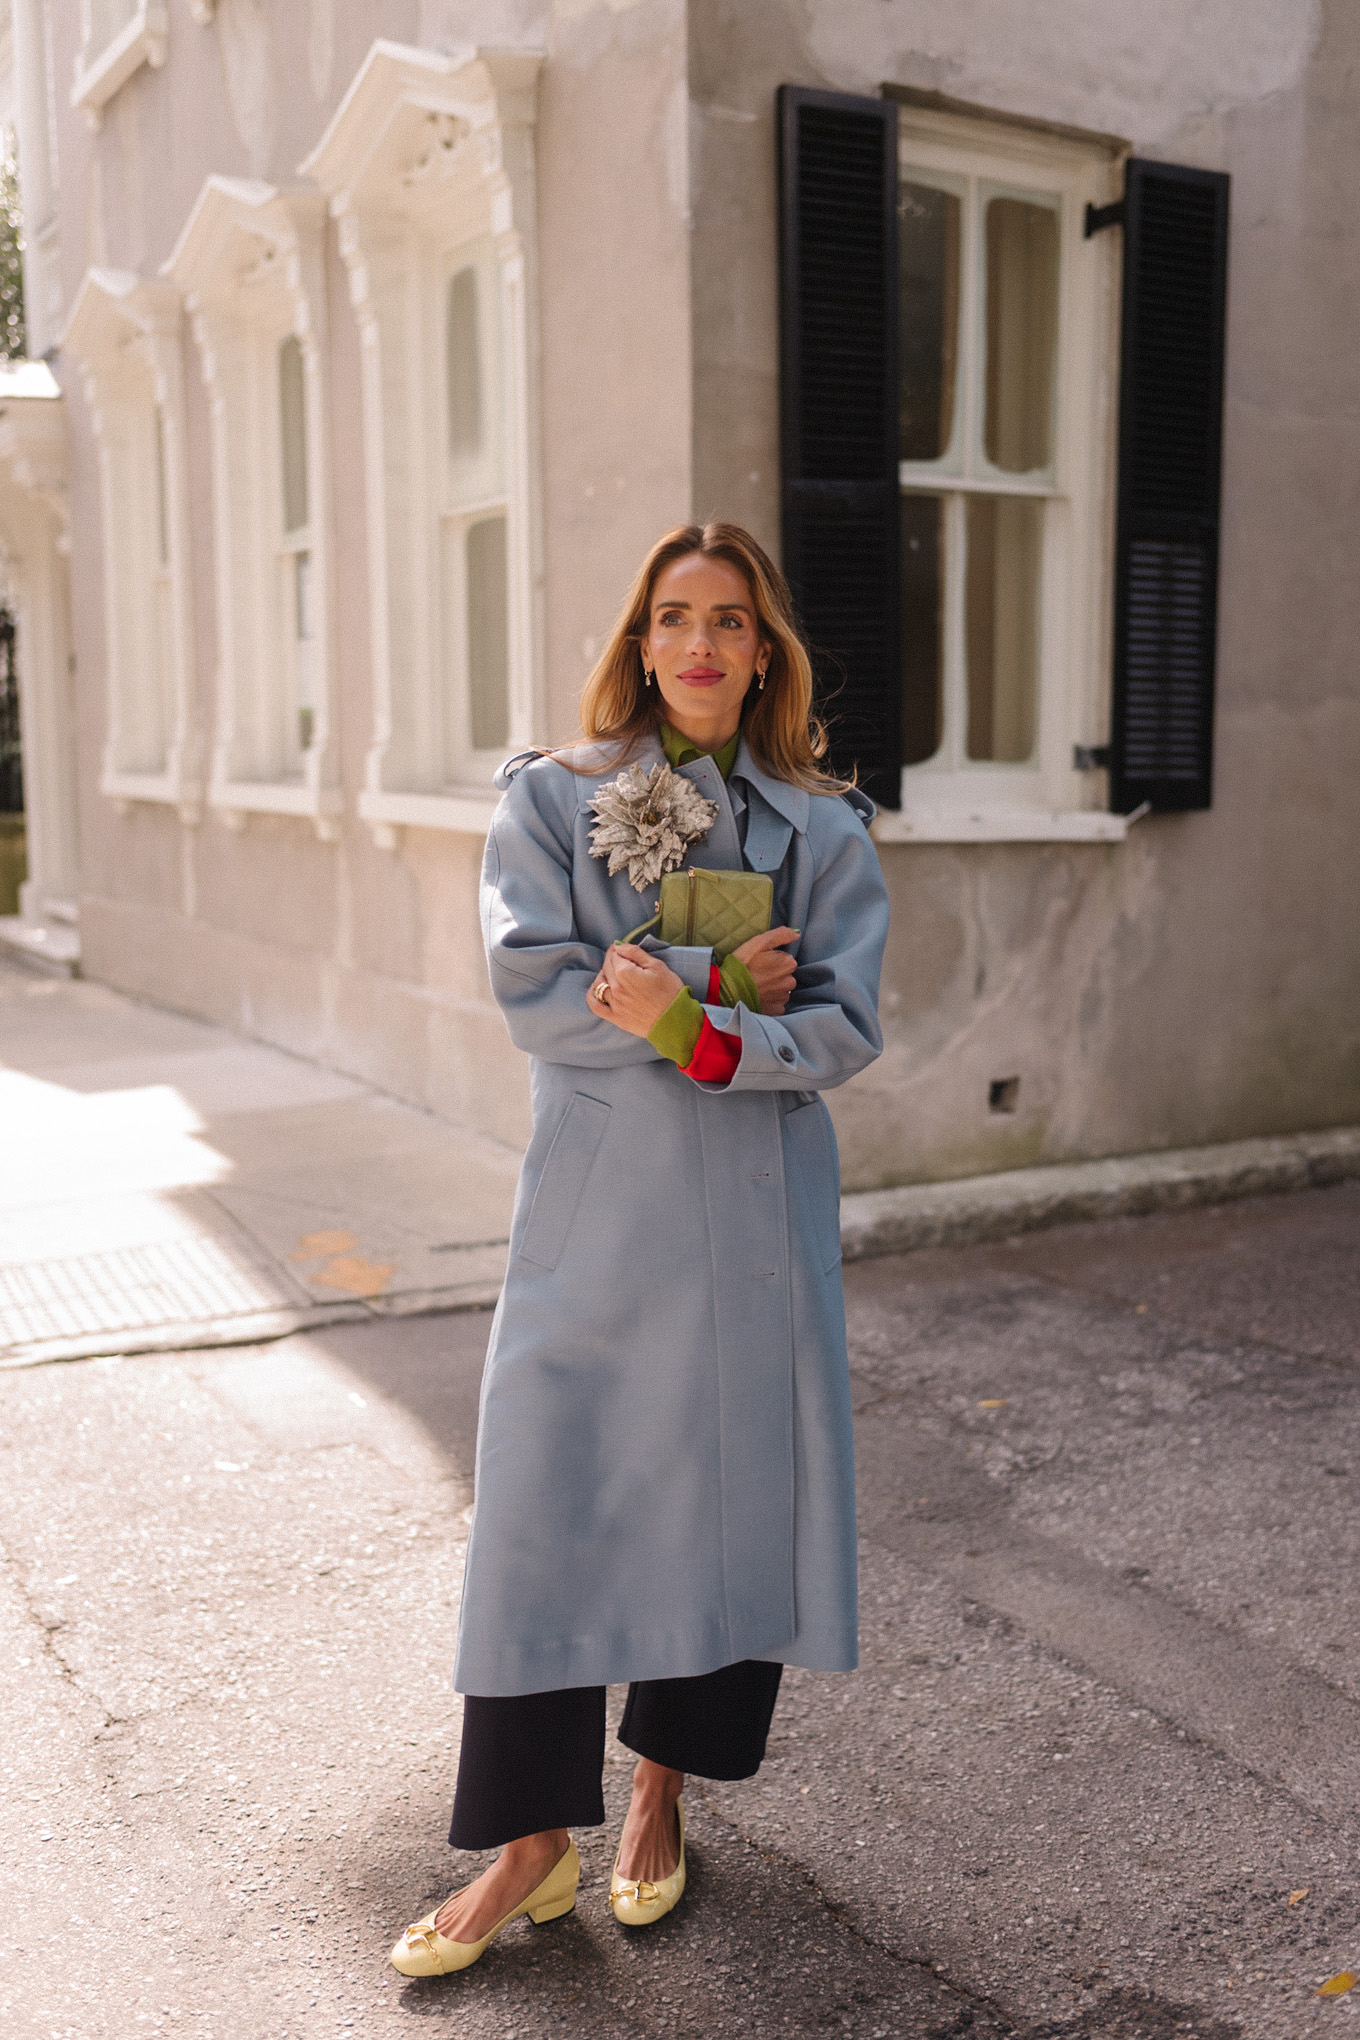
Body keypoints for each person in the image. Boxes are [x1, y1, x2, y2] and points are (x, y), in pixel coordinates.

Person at [391, 520, 890, 1976]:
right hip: (598, 1218)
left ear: (766, 651)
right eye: (675, 617)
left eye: (731, 621)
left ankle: (664, 1787)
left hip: (749, 1216)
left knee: (730, 1494)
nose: (701, 645)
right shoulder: (554, 802)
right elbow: (540, 989)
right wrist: (709, 978)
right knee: (548, 1500)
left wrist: (695, 1031)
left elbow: (846, 1028)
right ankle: (529, 1840)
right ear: (639, 640)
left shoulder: (829, 831)